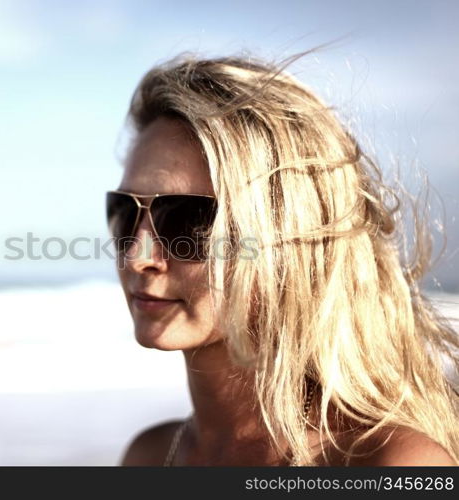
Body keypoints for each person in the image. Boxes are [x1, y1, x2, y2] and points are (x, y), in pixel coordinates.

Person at [106, 48, 459, 466]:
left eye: (186, 222)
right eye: (126, 212)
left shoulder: (388, 463)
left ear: (286, 239)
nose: (137, 256)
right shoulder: (149, 457)